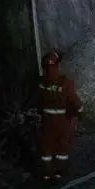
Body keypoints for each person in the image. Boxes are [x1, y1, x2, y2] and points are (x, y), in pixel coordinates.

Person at [36, 51, 83, 180]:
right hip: (63, 121)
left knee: (47, 147)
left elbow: (37, 101)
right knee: (62, 146)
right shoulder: (65, 82)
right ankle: (59, 173)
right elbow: (75, 100)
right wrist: (81, 111)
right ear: (57, 65)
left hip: (47, 121)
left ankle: (47, 173)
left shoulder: (40, 83)